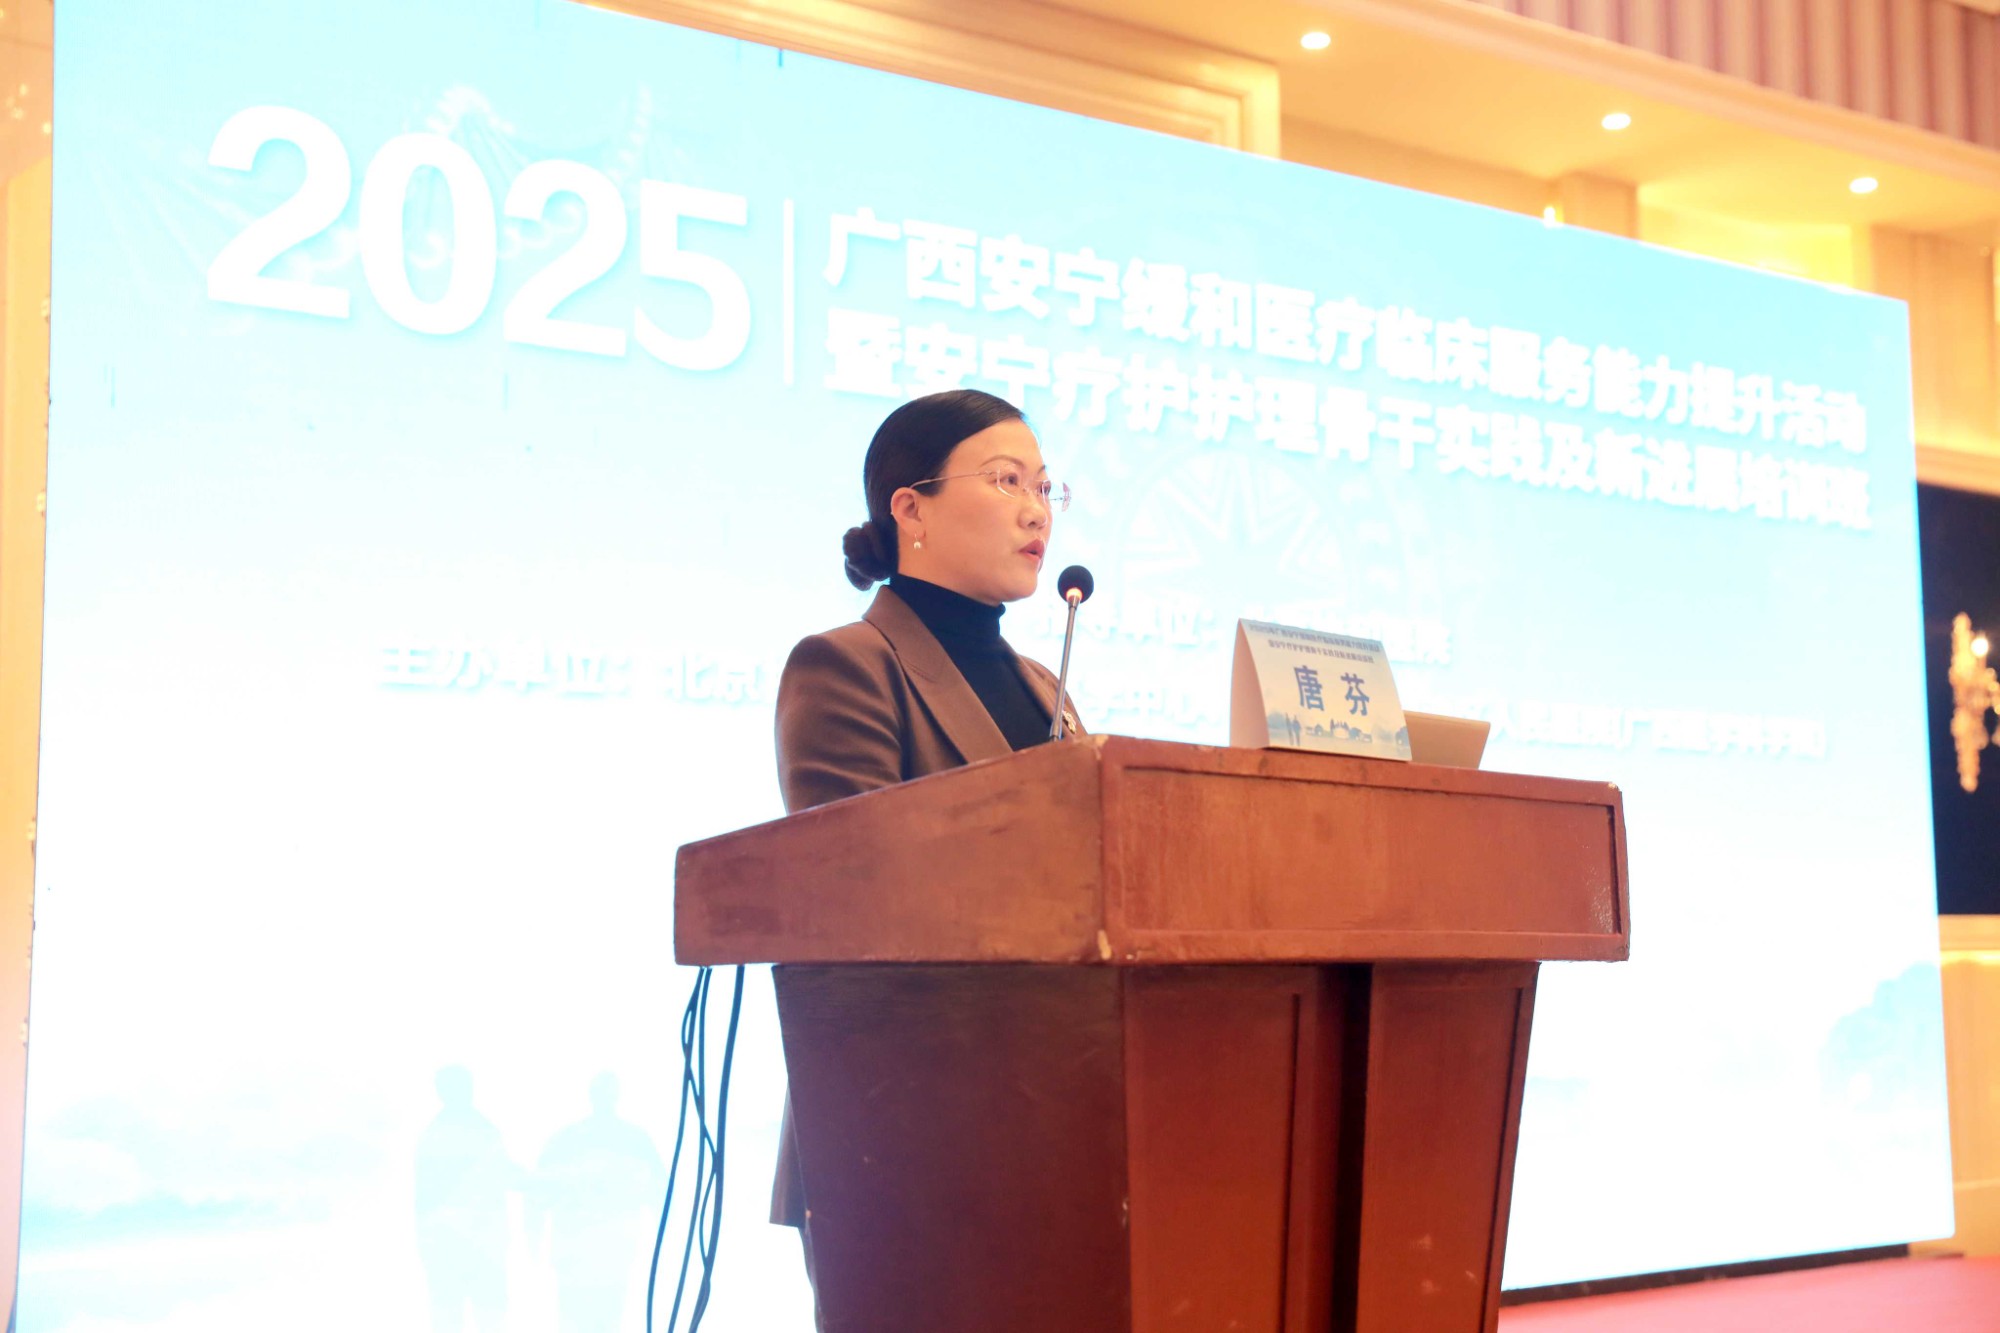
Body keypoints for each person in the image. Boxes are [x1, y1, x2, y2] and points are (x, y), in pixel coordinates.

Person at [768, 388, 1085, 1266]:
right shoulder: (846, 666)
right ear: (910, 507)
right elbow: (856, 900)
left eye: (1045, 487)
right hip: (900, 1132)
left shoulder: (1046, 686)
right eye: (1007, 480)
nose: (1037, 511)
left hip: (1054, 1115)